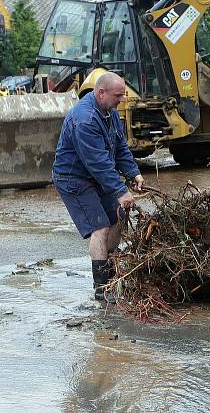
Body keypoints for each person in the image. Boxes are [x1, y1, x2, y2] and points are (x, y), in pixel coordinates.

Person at [52, 72, 145, 301]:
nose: (122, 99)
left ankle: (111, 270)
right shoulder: (85, 119)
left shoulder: (110, 114)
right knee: (100, 227)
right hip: (73, 179)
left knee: (118, 216)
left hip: (96, 176)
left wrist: (134, 173)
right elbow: (98, 162)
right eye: (118, 95)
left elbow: (120, 148)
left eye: (123, 95)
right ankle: (101, 288)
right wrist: (122, 191)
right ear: (100, 92)